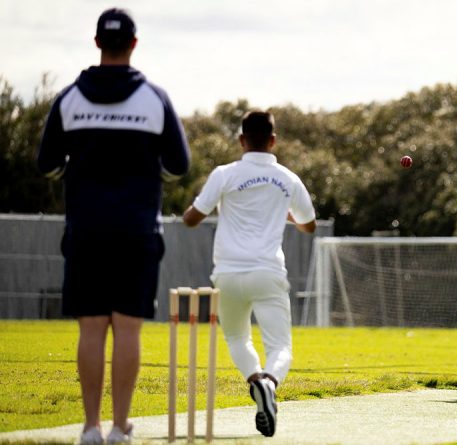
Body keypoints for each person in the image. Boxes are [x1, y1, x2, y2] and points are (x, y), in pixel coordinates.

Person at [36, 8, 190, 444]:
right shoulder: (154, 99)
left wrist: (79, 168)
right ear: (134, 45)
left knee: (91, 329)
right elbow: (179, 166)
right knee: (127, 328)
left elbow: (46, 165)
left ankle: (90, 427)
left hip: (85, 228)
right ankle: (121, 426)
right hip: (137, 230)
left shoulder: (69, 99)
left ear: (97, 42)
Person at [182, 111, 316, 437]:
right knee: (281, 347)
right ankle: (269, 382)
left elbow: (191, 219)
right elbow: (309, 225)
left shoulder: (224, 174)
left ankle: (256, 380)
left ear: (242, 140)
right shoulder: (287, 178)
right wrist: (284, 215)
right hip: (268, 271)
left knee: (236, 337)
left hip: (227, 272)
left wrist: (213, 205)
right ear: (273, 141)